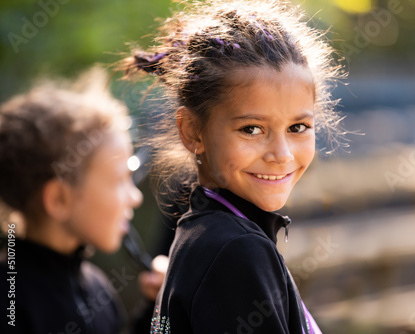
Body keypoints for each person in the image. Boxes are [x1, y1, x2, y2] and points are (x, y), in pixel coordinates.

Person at [121, 0, 345, 332]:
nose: (281, 154)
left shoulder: (205, 234)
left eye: (298, 128)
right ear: (192, 131)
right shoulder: (235, 251)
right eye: (251, 129)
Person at [0, 68, 143, 334]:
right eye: (119, 180)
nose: (135, 197)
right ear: (59, 199)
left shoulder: (98, 289)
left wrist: (160, 309)